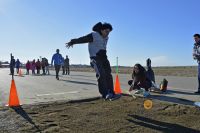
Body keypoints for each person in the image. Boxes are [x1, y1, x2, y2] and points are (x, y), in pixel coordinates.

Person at [66, 22, 120, 100]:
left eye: (109, 32)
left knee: (108, 74)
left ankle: (111, 92)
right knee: (101, 74)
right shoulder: (94, 35)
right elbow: (83, 39)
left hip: (104, 58)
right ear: (101, 30)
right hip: (95, 58)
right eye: (106, 31)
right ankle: (105, 94)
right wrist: (73, 41)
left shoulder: (106, 37)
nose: (107, 34)